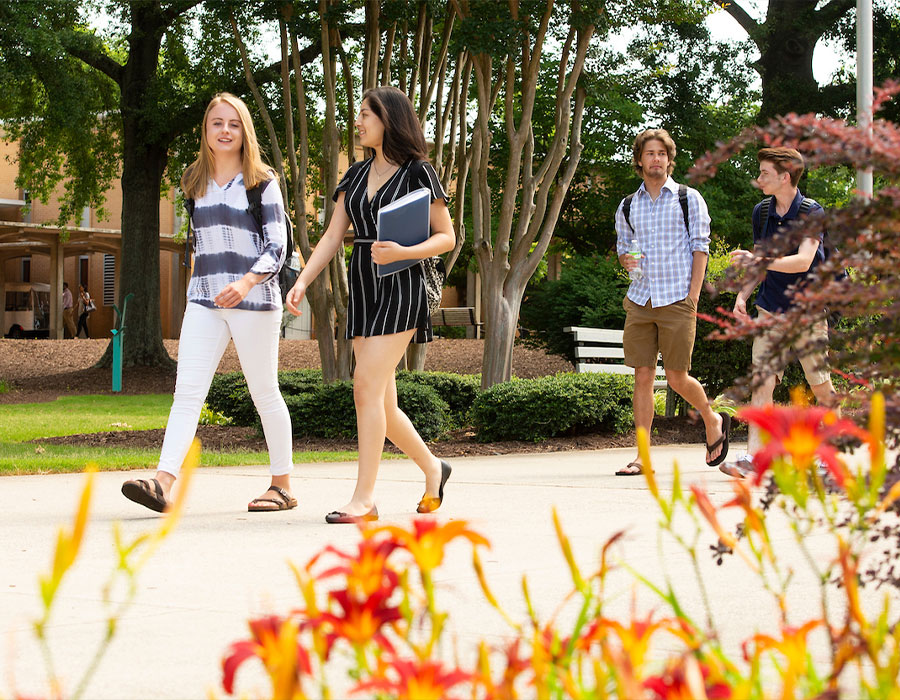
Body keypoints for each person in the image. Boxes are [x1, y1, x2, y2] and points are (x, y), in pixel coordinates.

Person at [286, 86, 455, 523]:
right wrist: (303, 280)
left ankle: (364, 500)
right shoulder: (355, 175)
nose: (358, 122)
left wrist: (400, 251)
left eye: (365, 114)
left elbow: (446, 237)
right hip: (363, 285)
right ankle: (434, 469)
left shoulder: (420, 172)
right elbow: (331, 237)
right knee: (382, 402)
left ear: (389, 119)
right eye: (358, 114)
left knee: (364, 387)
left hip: (403, 284)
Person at [122, 92, 295, 513]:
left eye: (233, 124)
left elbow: (277, 245)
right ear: (206, 129)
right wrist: (211, 283)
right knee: (187, 393)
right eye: (217, 123)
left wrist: (247, 282)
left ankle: (282, 485)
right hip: (203, 299)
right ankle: (162, 483)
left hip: (254, 301)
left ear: (244, 131)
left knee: (264, 393)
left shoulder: (262, 181)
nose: (225, 131)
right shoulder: (193, 180)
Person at [614, 128, 730, 476]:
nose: (657, 159)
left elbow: (701, 247)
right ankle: (642, 456)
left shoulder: (687, 197)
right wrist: (627, 260)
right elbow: (624, 250)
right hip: (640, 299)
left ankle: (713, 420)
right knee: (643, 377)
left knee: (678, 378)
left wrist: (693, 295)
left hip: (678, 297)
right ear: (640, 160)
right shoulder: (627, 205)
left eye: (662, 154)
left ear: (669, 159)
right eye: (650, 153)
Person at [721, 147, 838, 478]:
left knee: (820, 384)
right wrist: (742, 296)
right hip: (770, 309)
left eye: (764, 174)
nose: (758, 180)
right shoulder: (762, 212)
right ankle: (755, 458)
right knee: (763, 380)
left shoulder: (811, 213)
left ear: (785, 177)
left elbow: (802, 261)